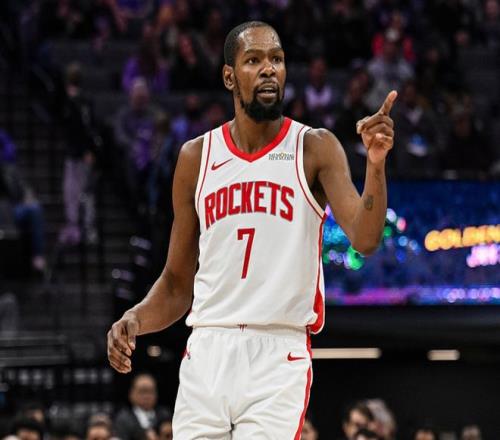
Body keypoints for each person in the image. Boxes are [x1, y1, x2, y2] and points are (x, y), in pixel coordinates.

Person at [107, 21, 396, 439]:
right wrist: (135, 317)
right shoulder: (196, 157)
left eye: (276, 59)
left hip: (277, 353)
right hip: (207, 350)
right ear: (229, 77)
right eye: (254, 60)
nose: (268, 69)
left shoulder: (314, 147)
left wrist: (376, 164)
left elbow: (365, 239)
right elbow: (175, 284)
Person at [114, 373, 170, 440]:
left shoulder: (165, 415)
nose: (147, 396)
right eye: (142, 392)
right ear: (131, 394)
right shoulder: (123, 419)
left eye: (151, 391)